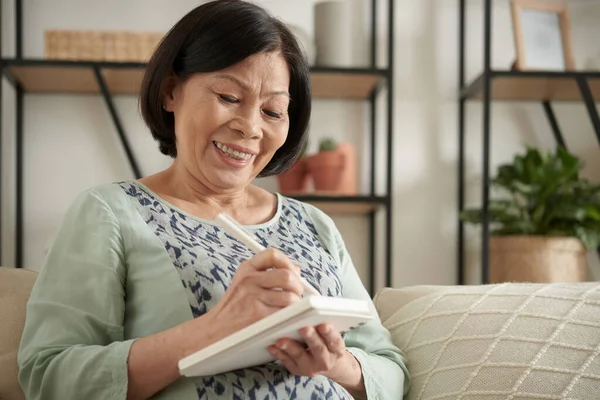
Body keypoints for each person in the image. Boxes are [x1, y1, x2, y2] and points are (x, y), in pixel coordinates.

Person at [17, 1, 410, 399]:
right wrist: (217, 327)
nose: (250, 127)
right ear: (172, 91)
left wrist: (335, 363)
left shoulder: (314, 224)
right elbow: (48, 376)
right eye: (228, 96)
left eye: (273, 111)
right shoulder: (111, 213)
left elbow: (391, 372)